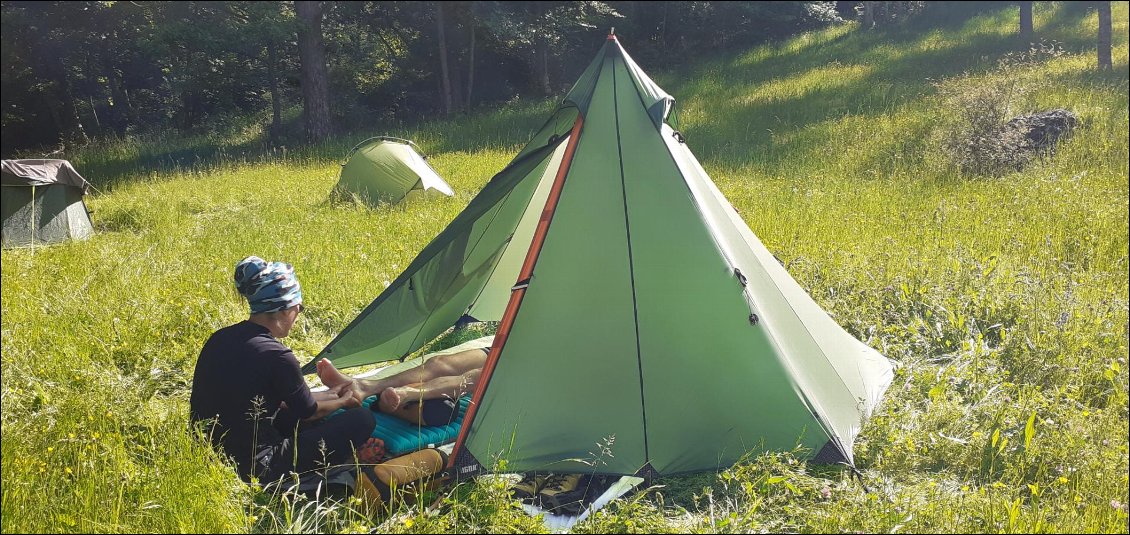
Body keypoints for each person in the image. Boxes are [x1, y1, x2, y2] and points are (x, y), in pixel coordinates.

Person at [190, 256, 376, 483]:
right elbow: (310, 412)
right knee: (362, 419)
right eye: (299, 307)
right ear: (286, 309)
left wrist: (332, 393)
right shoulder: (278, 356)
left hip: (207, 451)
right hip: (258, 466)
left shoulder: (220, 338)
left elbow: (290, 402)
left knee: (292, 415)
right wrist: (344, 401)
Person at [314, 345, 489, 426]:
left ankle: (407, 394)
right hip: (507, 346)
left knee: (442, 408)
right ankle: (364, 387)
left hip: (512, 369)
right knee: (439, 364)